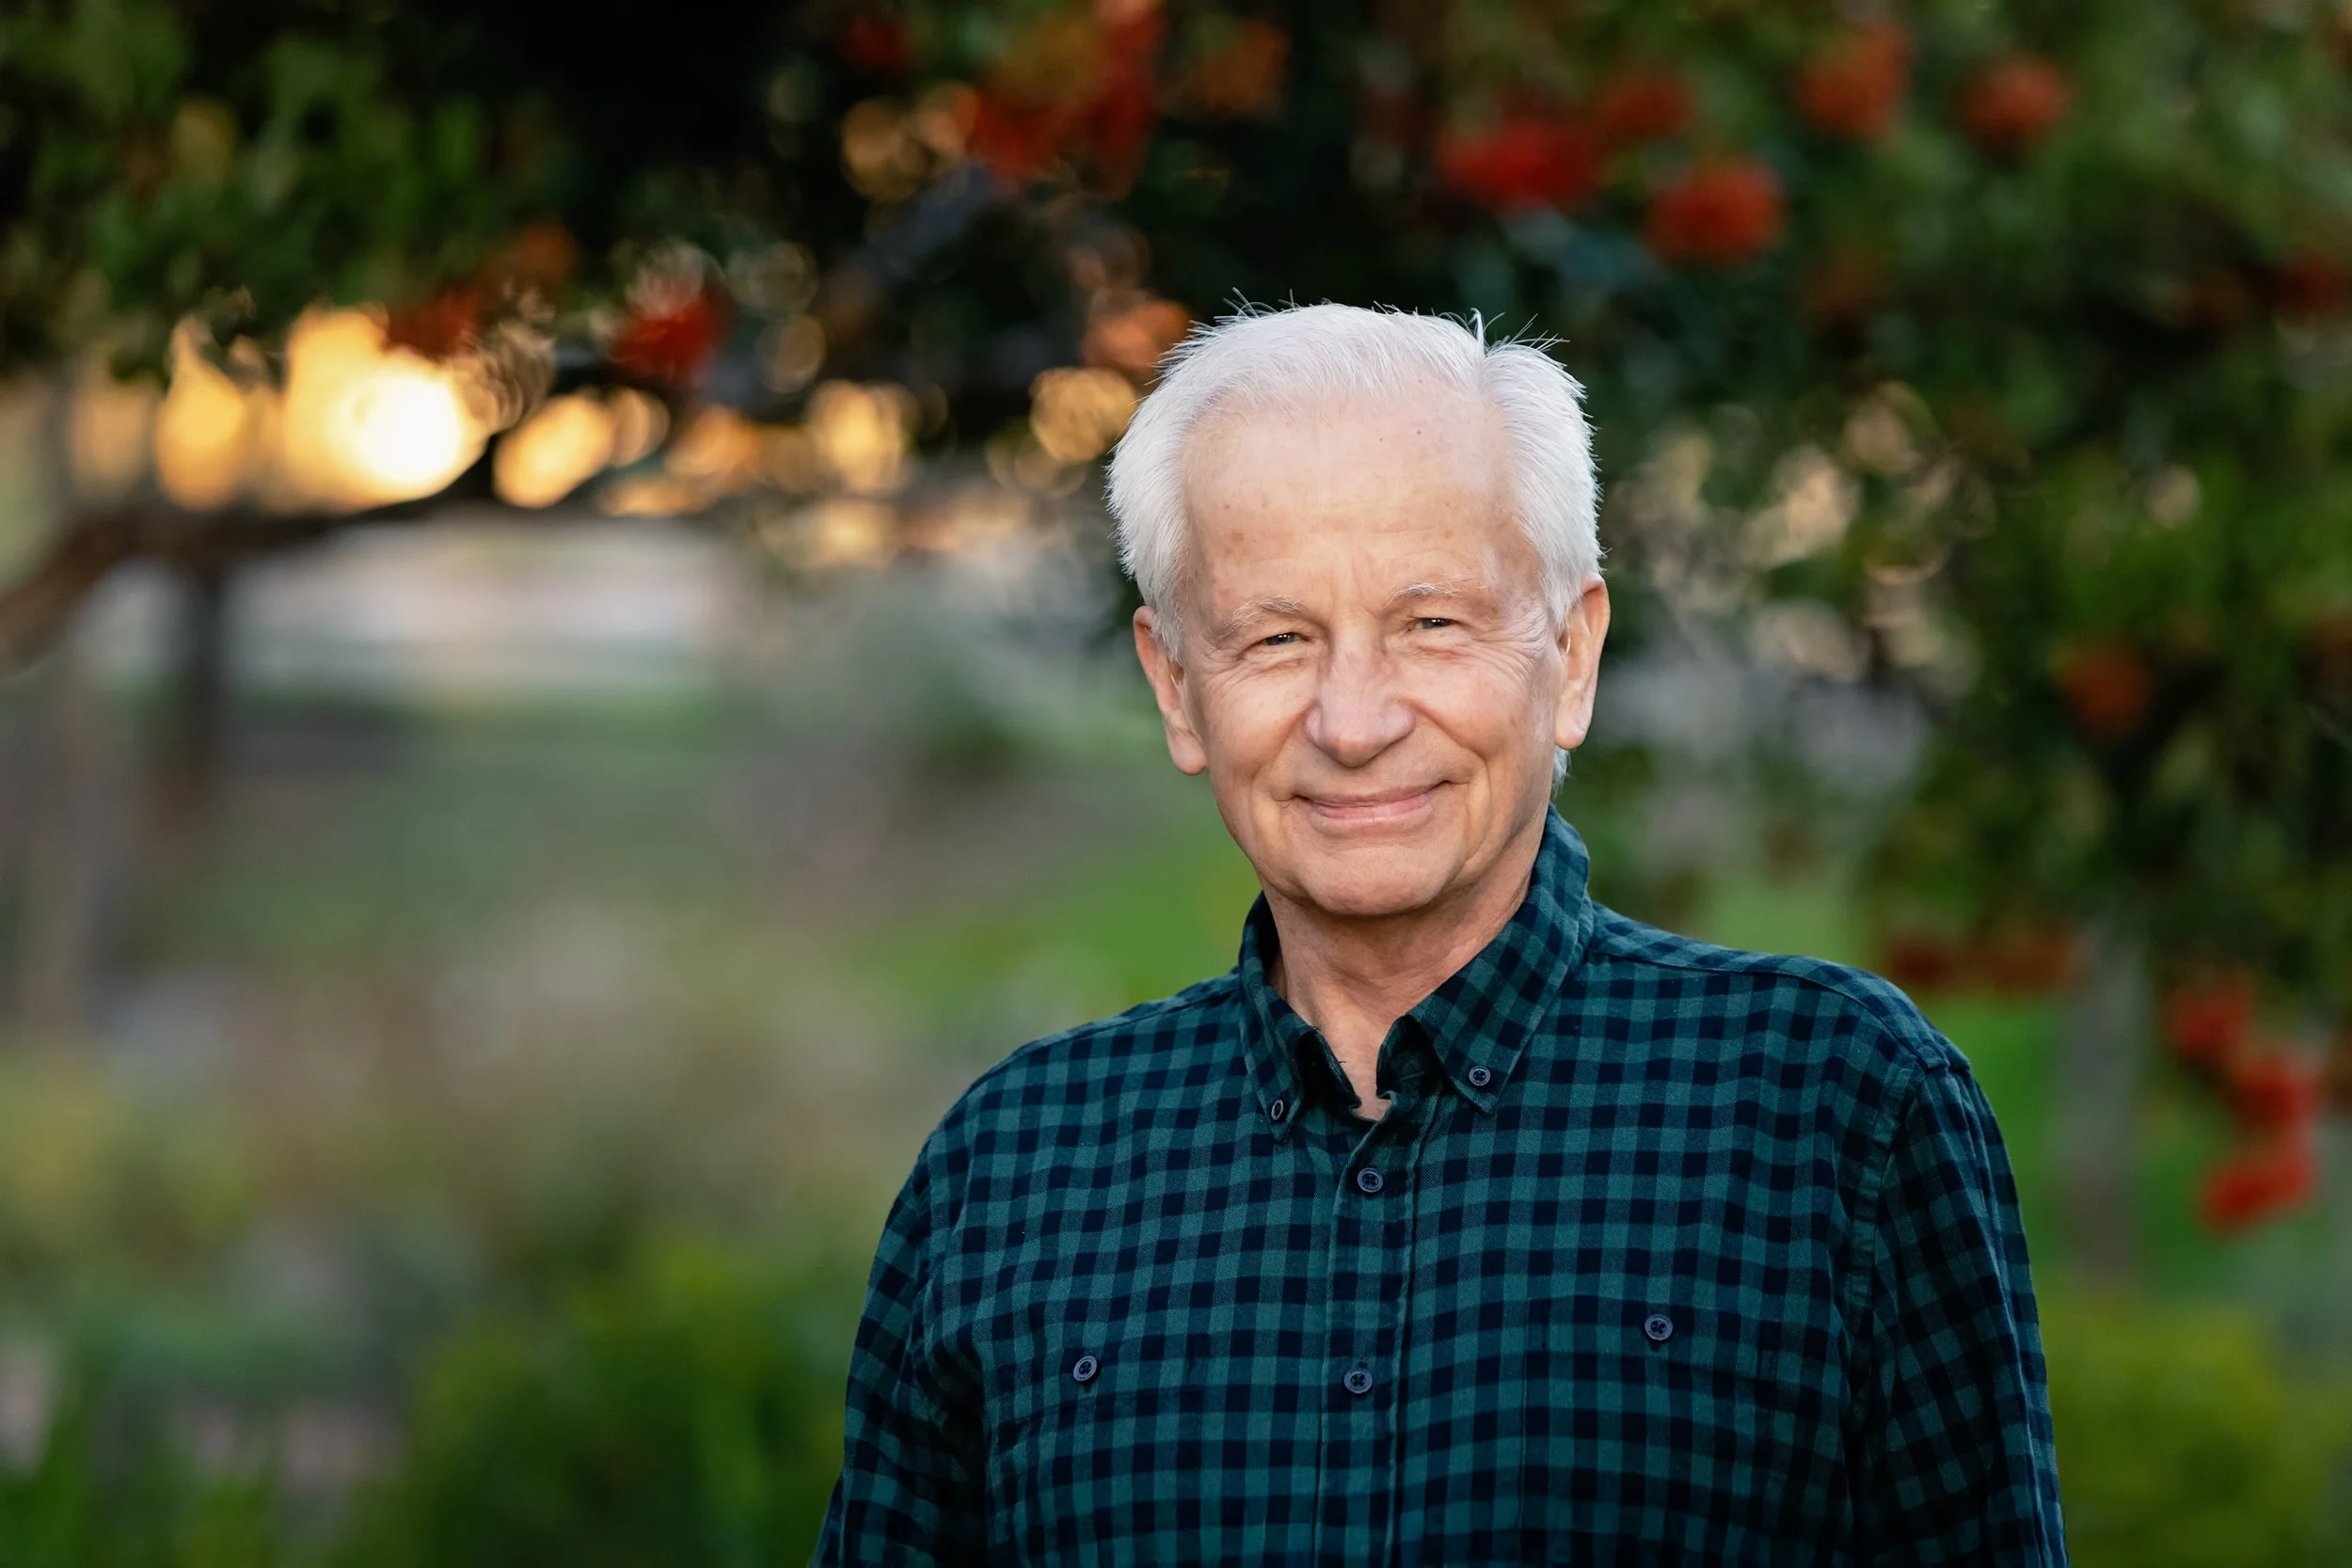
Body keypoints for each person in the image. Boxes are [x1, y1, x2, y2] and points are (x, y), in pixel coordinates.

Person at [815, 304, 2064, 1564]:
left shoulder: (1837, 1110)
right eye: (1278, 637)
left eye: (1431, 625)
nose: (1353, 720)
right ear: (1177, 685)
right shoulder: (1011, 1171)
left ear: (1571, 655)